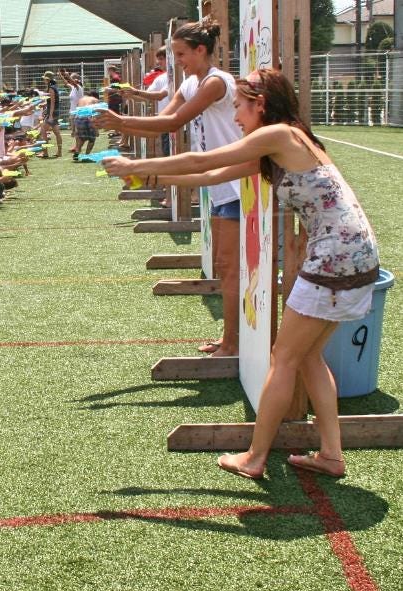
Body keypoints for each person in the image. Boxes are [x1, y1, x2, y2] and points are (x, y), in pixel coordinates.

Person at [103, 68, 380, 480]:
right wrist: (149, 175)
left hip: (334, 258)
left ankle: (254, 457)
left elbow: (202, 158)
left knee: (283, 358)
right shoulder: (284, 140)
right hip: (352, 254)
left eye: (239, 107)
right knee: (306, 357)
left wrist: (135, 160)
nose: (235, 118)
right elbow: (212, 175)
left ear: (260, 105)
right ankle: (331, 455)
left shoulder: (279, 135)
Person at [96, 17, 242, 358]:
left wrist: (122, 121)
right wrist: (124, 125)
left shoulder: (215, 83)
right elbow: (163, 124)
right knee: (223, 267)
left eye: (181, 54)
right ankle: (230, 337)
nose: (177, 61)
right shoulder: (192, 83)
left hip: (236, 183)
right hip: (219, 183)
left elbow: (174, 122)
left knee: (231, 268)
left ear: (201, 50)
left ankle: (233, 343)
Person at [39, 71, 62, 158]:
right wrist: (45, 105)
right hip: (55, 112)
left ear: (47, 79)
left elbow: (52, 103)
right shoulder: (54, 87)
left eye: (44, 79)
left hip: (52, 113)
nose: (43, 80)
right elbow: (52, 101)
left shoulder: (51, 88)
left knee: (43, 131)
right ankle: (59, 152)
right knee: (57, 132)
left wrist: (51, 115)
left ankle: (45, 153)